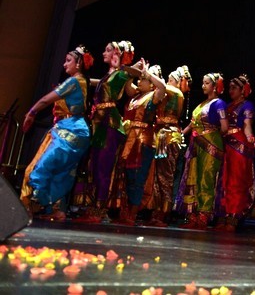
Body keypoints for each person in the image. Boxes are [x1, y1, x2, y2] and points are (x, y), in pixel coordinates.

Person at [19, 45, 94, 221]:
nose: (64, 64)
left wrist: (31, 113)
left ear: (79, 63)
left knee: (38, 169)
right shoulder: (83, 81)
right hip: (79, 130)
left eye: (68, 60)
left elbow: (46, 100)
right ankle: (56, 210)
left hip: (70, 129)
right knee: (62, 173)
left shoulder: (74, 81)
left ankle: (37, 205)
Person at [74, 40, 135, 223]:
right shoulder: (106, 77)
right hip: (99, 124)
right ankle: (92, 207)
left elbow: (135, 77)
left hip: (110, 124)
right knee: (94, 166)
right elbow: (93, 83)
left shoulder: (122, 74)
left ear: (117, 53)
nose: (103, 53)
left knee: (103, 167)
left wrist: (124, 65)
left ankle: (100, 210)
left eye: (108, 50)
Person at [114, 62, 167, 225]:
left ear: (151, 84)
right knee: (126, 176)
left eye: (143, 79)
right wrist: (133, 70)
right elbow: (127, 83)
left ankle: (133, 213)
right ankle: (124, 211)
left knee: (138, 177)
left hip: (143, 141)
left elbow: (163, 87)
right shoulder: (135, 96)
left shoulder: (153, 96)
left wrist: (148, 74)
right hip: (128, 140)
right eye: (140, 79)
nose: (140, 81)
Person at [175, 72, 227, 229]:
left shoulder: (219, 104)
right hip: (196, 144)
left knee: (206, 179)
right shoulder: (201, 104)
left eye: (206, 83)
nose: (203, 86)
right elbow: (192, 125)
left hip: (210, 144)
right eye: (203, 83)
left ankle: (204, 216)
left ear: (215, 86)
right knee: (192, 177)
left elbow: (224, 127)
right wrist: (179, 135)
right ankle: (192, 215)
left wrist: (210, 135)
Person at [142, 65, 191, 227]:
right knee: (157, 175)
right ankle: (156, 211)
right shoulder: (169, 93)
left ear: (177, 83)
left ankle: (164, 212)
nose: (167, 82)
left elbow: (161, 86)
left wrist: (148, 74)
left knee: (166, 176)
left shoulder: (176, 93)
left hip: (170, 136)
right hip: (162, 134)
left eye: (170, 79)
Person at [216, 73, 255, 231]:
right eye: (230, 88)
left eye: (234, 88)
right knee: (224, 180)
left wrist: (249, 136)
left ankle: (233, 217)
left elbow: (247, 124)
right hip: (226, 145)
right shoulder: (227, 106)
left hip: (239, 144)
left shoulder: (247, 106)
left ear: (242, 90)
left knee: (236, 181)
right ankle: (223, 216)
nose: (230, 91)